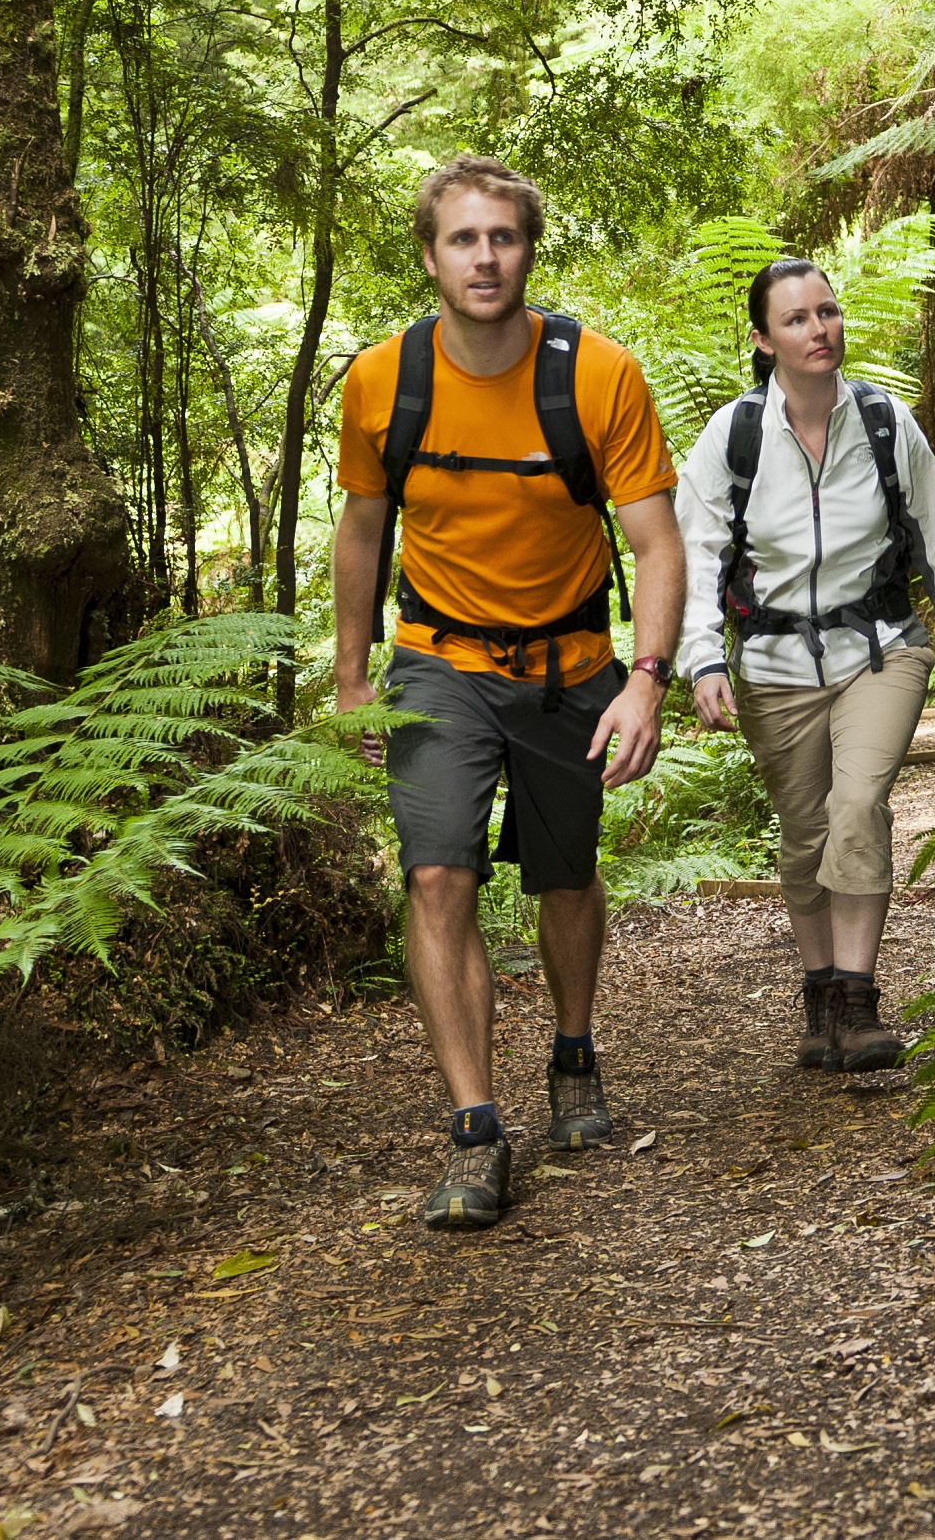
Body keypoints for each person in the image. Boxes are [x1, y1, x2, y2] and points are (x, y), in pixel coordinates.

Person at [334, 156, 684, 1233]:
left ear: (528, 249)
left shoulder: (599, 374)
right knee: (437, 874)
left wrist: (646, 679)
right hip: (437, 662)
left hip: (571, 665)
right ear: (429, 256)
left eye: (503, 237)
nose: (484, 258)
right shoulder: (381, 381)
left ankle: (573, 1051)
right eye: (463, 239)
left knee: (566, 877)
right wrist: (351, 675)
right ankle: (475, 1126)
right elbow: (361, 530)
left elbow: (657, 542)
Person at [676, 255, 935, 1075]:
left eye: (828, 311)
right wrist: (702, 659)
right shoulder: (733, 436)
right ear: (763, 339)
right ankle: (818, 995)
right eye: (798, 319)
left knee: (858, 805)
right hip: (773, 664)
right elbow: (697, 556)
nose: (820, 329)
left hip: (880, 648)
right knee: (805, 832)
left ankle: (856, 998)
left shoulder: (884, 421)